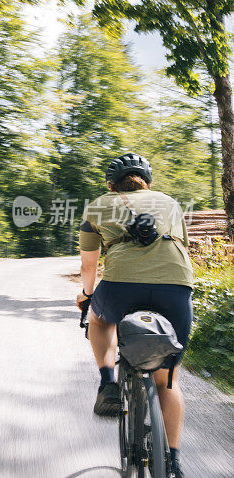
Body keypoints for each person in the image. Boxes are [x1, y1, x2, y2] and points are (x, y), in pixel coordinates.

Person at [77, 153, 193, 478]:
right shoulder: (169, 202)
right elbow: (182, 244)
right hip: (176, 287)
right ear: (149, 183)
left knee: (99, 320)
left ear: (111, 185)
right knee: (168, 380)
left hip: (121, 287)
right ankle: (173, 461)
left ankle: (107, 382)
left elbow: (88, 266)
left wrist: (87, 295)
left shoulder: (99, 205)